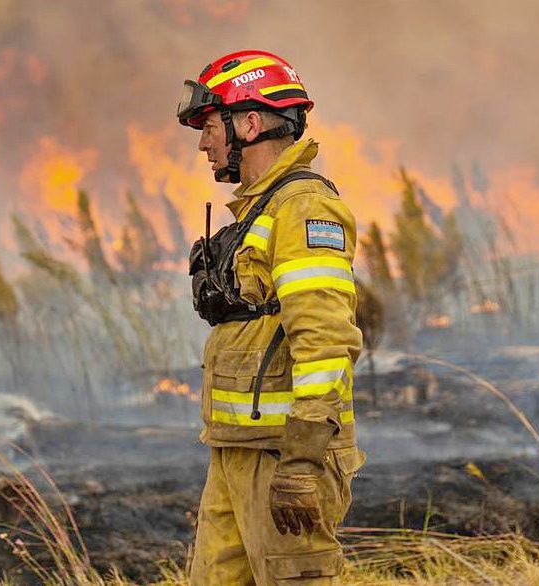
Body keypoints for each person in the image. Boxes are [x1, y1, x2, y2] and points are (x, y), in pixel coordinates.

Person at [176, 50, 365, 585]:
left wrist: (303, 460)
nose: (203, 142)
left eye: (210, 126)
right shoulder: (261, 210)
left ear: (250, 123)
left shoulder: (303, 208)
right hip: (235, 449)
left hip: (284, 455)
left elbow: (325, 337)